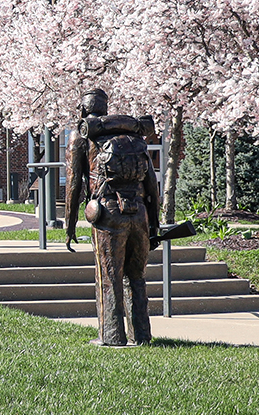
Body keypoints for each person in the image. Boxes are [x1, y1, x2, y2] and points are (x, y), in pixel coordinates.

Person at [65, 88, 159, 346]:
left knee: (109, 276)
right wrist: (155, 222)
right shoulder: (132, 136)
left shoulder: (83, 136)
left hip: (107, 213)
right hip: (139, 213)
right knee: (136, 276)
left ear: (83, 110)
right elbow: (152, 183)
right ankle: (142, 335)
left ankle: (111, 337)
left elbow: (73, 184)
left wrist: (69, 223)